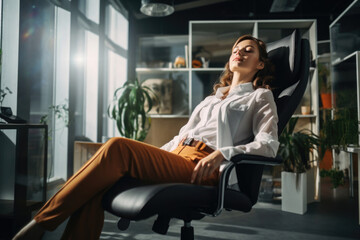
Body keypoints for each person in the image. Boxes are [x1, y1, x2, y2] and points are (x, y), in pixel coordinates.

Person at [13, 35, 279, 240]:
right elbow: (181, 137)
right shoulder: (215, 96)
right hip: (178, 156)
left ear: (260, 63)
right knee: (98, 183)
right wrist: (151, 156)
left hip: (203, 165)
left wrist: (223, 153)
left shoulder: (260, 96)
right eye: (236, 49)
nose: (239, 53)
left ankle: (40, 225)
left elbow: (268, 145)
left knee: (117, 146)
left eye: (248, 51)